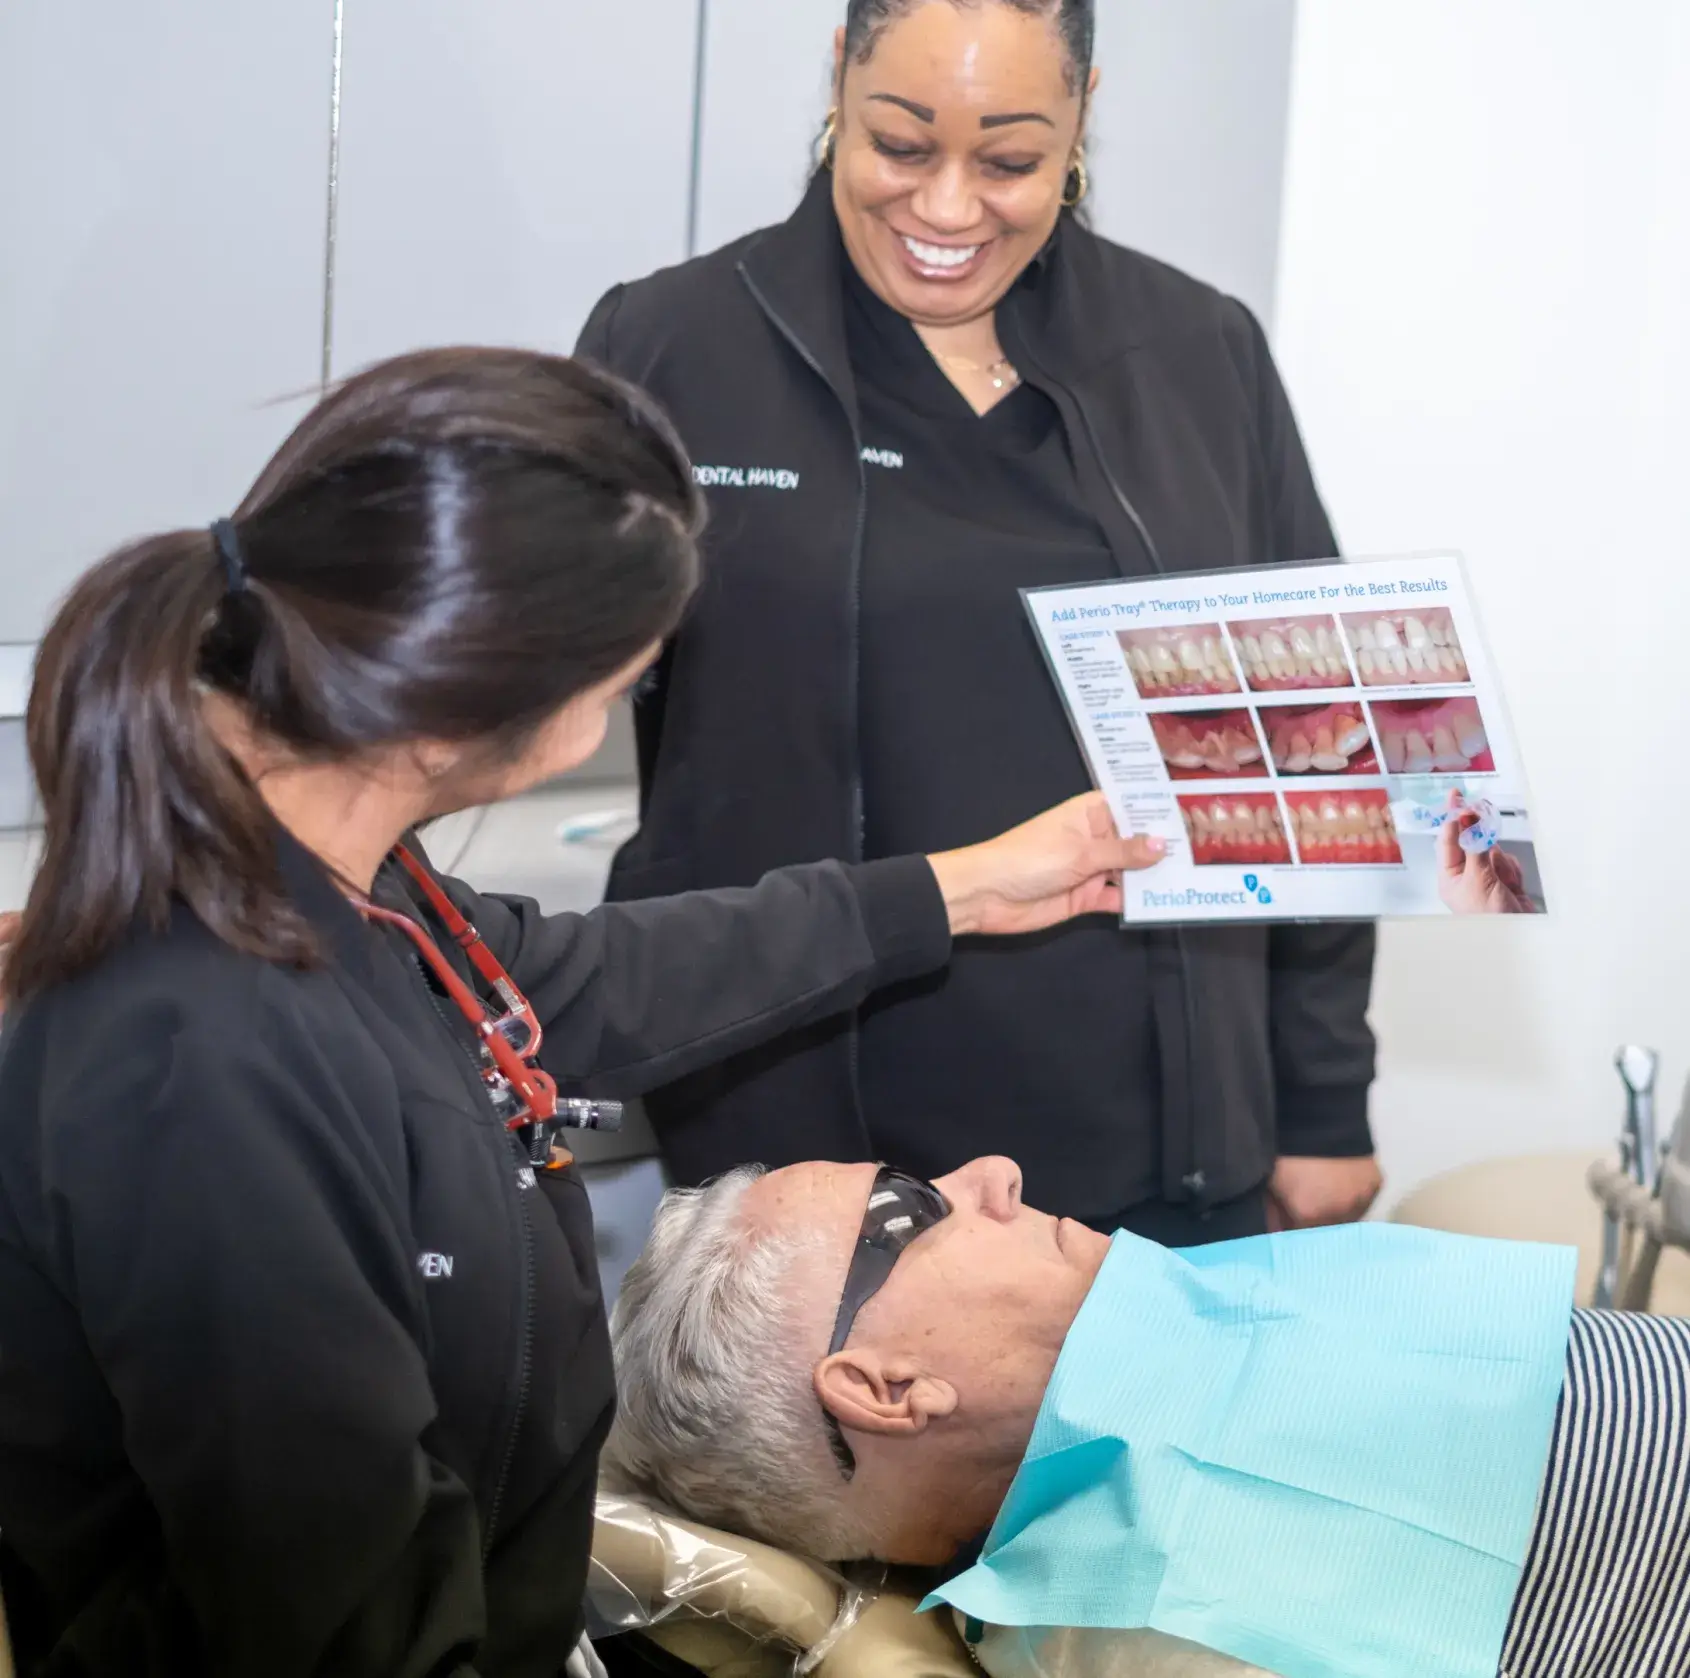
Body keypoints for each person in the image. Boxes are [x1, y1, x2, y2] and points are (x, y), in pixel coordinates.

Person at [0, 348, 1163, 1678]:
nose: (637, 690)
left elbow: (571, 978)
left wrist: (955, 889)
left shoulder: (342, 878)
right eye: (630, 668)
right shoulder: (204, 1065)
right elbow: (341, 1627)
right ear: (497, 696)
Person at [577, 0, 1379, 1246]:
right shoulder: (673, 345)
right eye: (901, 144)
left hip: (1154, 1136)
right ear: (838, 74)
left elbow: (1314, 745)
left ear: (1081, 115)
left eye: (1009, 162)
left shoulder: (1197, 352)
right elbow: (523, 680)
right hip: (802, 1160)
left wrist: (1324, 1099)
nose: (948, 210)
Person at [605, 1156, 1690, 1678]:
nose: (990, 1172)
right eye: (910, 1208)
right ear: (886, 1388)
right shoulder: (1155, 1629)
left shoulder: (1175, 1332)